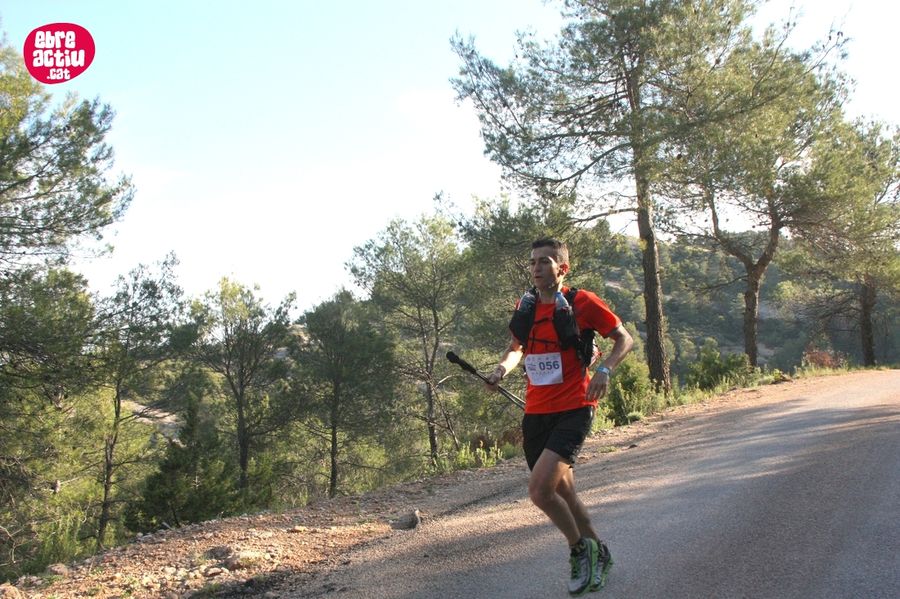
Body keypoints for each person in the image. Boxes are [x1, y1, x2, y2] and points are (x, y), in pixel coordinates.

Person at [486, 238, 633, 596]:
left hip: (575, 407)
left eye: (544, 261)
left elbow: (623, 339)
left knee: (540, 491)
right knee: (565, 493)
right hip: (536, 412)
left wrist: (605, 371)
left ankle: (580, 551)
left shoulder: (583, 302)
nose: (536, 268)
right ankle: (600, 551)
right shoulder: (525, 306)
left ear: (562, 268)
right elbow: (516, 349)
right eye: (532, 262)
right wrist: (501, 370)